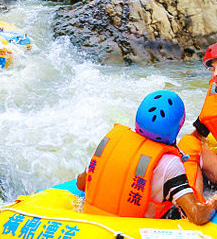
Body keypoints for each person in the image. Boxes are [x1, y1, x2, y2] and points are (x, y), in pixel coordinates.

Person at [77, 90, 217, 224]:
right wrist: (214, 203)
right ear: (178, 126)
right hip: (136, 230)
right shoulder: (170, 164)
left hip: (94, 220)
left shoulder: (110, 141)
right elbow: (197, 215)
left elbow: (81, 184)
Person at [180, 43, 217, 197]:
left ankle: (193, 205)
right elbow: (197, 135)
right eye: (213, 69)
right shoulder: (214, 99)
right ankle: (193, 200)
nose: (215, 74)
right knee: (188, 143)